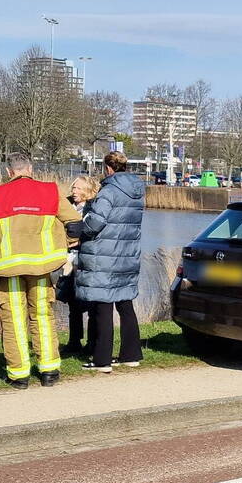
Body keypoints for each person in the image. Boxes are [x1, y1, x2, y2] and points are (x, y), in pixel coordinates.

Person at [0, 153, 83, 389]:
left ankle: (19, 375)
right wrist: (64, 243)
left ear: (9, 172)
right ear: (30, 169)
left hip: (8, 268)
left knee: (14, 320)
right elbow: (75, 223)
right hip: (42, 267)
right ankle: (49, 371)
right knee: (43, 317)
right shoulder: (51, 191)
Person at [77, 151, 145, 372]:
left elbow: (95, 223)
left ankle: (102, 360)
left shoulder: (109, 191)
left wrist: (81, 222)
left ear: (108, 168)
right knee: (126, 305)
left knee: (103, 307)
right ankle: (131, 355)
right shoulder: (136, 192)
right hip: (127, 254)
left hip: (105, 256)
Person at [59, 175, 100, 356]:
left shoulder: (95, 207)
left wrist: (79, 240)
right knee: (72, 303)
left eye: (78, 188)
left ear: (88, 190)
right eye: (73, 188)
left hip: (87, 259)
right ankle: (74, 341)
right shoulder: (66, 205)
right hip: (68, 261)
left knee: (91, 303)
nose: (74, 191)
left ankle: (92, 343)